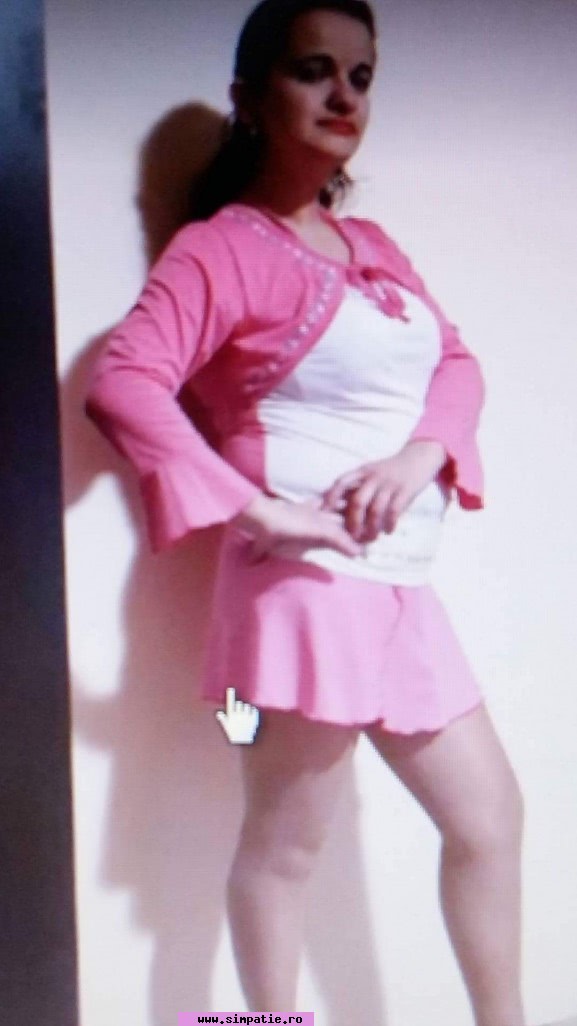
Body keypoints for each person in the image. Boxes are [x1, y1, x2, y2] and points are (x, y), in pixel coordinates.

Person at [85, 1, 526, 1022]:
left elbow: (456, 362)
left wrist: (422, 452)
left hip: (399, 587)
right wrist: (257, 514)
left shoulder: (369, 243)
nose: (342, 97)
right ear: (249, 97)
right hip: (300, 597)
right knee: (286, 850)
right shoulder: (220, 249)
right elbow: (125, 384)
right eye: (313, 70)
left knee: (490, 819)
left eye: (361, 77)